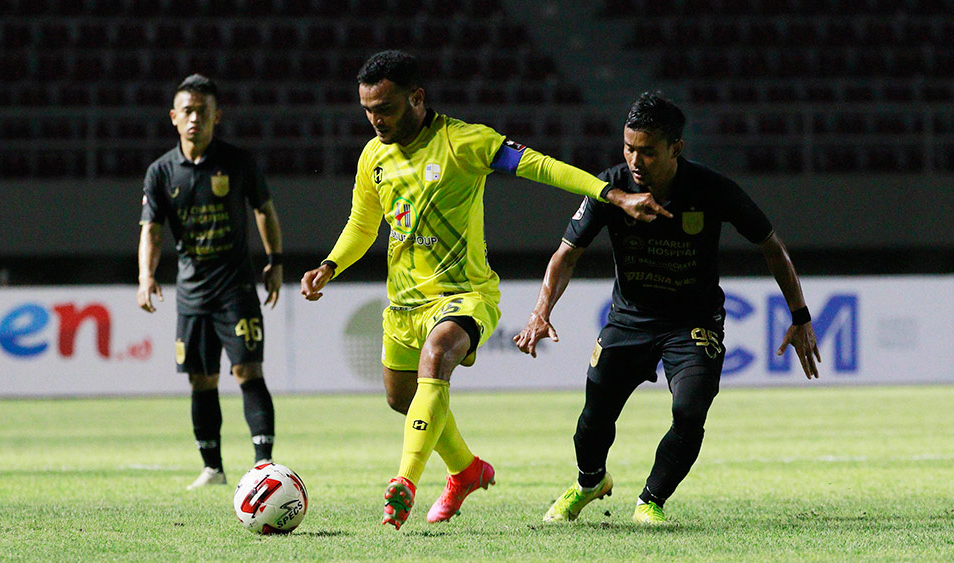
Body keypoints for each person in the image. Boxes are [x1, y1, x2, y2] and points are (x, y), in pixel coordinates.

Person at [300, 50, 640, 529]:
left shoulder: (465, 142)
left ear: (417, 98)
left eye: (386, 108)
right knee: (402, 399)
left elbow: (539, 166)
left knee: (436, 359)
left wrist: (610, 192)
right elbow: (363, 223)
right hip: (403, 306)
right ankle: (464, 470)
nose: (376, 120)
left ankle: (404, 483)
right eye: (368, 110)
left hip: (465, 294)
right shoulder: (373, 156)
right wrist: (329, 266)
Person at [514, 92, 821, 525]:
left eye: (647, 151)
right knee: (593, 418)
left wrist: (800, 316)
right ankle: (589, 482)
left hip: (693, 323)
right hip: (629, 320)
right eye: (628, 147)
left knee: (690, 410)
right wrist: (540, 311)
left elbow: (771, 246)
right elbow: (566, 253)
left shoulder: (712, 190)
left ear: (676, 149)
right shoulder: (611, 187)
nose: (635, 160)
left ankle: (650, 500)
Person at [137, 74, 284, 490]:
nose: (194, 118)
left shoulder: (237, 162)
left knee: (247, 370)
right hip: (192, 295)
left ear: (217, 116)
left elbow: (264, 210)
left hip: (236, 289)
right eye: (187, 111)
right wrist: (146, 276)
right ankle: (213, 468)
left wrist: (274, 261)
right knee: (201, 378)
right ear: (173, 117)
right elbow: (151, 229)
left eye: (203, 111)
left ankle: (263, 465)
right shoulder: (161, 172)